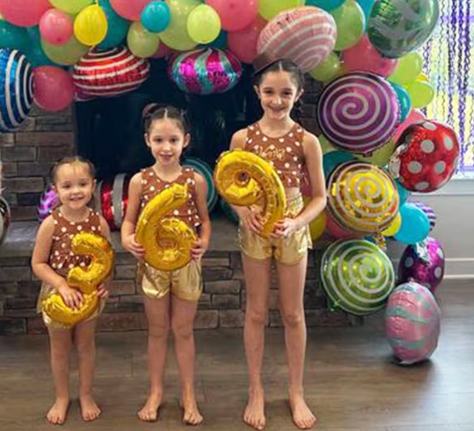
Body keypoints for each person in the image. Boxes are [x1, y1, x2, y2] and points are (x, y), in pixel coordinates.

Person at [229, 58, 327, 430]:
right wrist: (243, 212)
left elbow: (320, 196)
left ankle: (295, 390)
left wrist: (297, 223)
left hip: (292, 226)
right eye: (269, 92)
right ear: (257, 93)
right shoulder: (243, 138)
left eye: (285, 93)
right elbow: (230, 185)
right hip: (255, 228)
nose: (276, 100)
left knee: (292, 313)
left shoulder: (307, 141)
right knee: (256, 312)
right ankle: (256, 390)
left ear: (298, 94)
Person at [121, 104, 212, 425]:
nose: (166, 147)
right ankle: (156, 391)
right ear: (148, 140)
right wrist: (128, 240)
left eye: (173, 140)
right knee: (158, 331)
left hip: (187, 262)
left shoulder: (195, 179)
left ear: (185, 140)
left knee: (183, 331)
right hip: (152, 266)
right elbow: (128, 223)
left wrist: (204, 240)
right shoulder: (140, 181)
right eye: (159, 140)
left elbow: (204, 219)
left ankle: (189, 393)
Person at [32, 156, 111, 425]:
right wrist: (62, 285)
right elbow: (38, 263)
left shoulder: (98, 223)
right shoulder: (51, 225)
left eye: (82, 184)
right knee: (60, 348)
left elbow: (106, 261)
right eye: (67, 186)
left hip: (88, 295)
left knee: (86, 346)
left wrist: (103, 285)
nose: (75, 191)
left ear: (93, 185)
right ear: (55, 189)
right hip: (57, 295)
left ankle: (86, 394)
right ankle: (62, 396)